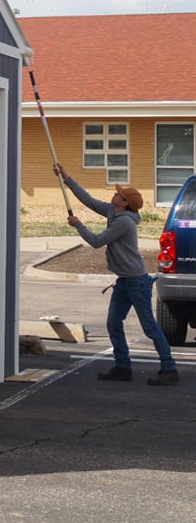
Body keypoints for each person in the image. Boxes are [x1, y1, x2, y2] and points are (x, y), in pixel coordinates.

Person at [54, 163, 179, 385]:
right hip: (124, 281)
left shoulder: (123, 222)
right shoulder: (114, 211)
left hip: (136, 282)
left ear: (125, 203)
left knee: (149, 326)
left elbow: (96, 242)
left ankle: (169, 369)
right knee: (113, 323)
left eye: (119, 195)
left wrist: (78, 225)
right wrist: (66, 177)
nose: (115, 194)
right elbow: (88, 200)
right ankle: (122, 367)